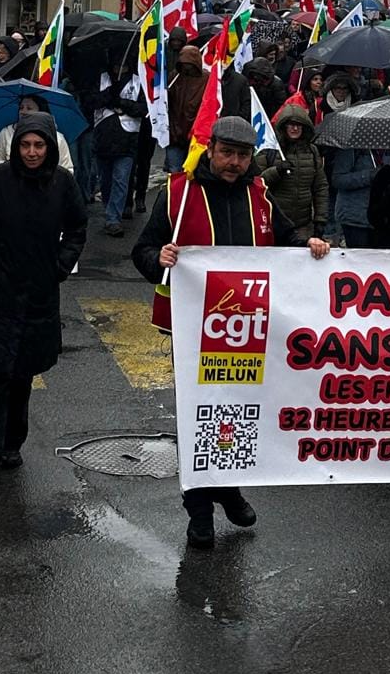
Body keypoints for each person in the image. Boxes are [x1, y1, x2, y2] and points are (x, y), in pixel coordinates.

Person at [131, 116, 329, 547]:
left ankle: (229, 488)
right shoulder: (177, 195)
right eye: (227, 153)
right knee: (198, 420)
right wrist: (157, 258)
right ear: (211, 149)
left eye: (243, 155)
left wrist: (309, 246)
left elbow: (286, 237)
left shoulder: (259, 194)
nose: (235, 163)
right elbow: (142, 251)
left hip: (247, 331)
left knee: (236, 418)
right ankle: (200, 512)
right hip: (191, 332)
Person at [0, 113, 87, 485]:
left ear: (49, 148)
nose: (32, 152)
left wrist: (61, 265)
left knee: (23, 374)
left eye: (39, 145)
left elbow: (78, 227)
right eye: (25, 145)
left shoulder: (63, 184)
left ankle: (12, 443)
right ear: (16, 148)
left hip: (40, 291)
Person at [256, 101, 329, 239]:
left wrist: (320, 219)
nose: (294, 128)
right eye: (291, 124)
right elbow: (257, 184)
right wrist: (276, 171)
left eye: (298, 125)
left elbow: (320, 187)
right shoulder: (269, 150)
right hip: (274, 224)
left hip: (303, 225)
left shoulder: (312, 151)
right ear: (284, 127)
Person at [93, 64, 143, 236]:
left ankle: (113, 219)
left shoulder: (138, 81)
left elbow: (143, 109)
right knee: (105, 181)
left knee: (121, 180)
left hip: (126, 141)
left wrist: (122, 103)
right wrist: (110, 95)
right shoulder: (101, 78)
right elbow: (92, 101)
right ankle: (109, 210)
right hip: (103, 139)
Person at [0, 94, 74, 175]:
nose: (23, 112)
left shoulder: (58, 138)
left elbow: (68, 170)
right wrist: (11, 165)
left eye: (29, 108)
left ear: (41, 111)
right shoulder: (6, 133)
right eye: (21, 108)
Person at [166, 44, 208, 172]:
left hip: (196, 135)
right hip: (174, 133)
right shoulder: (175, 77)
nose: (186, 67)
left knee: (193, 171)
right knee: (175, 172)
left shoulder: (206, 79)